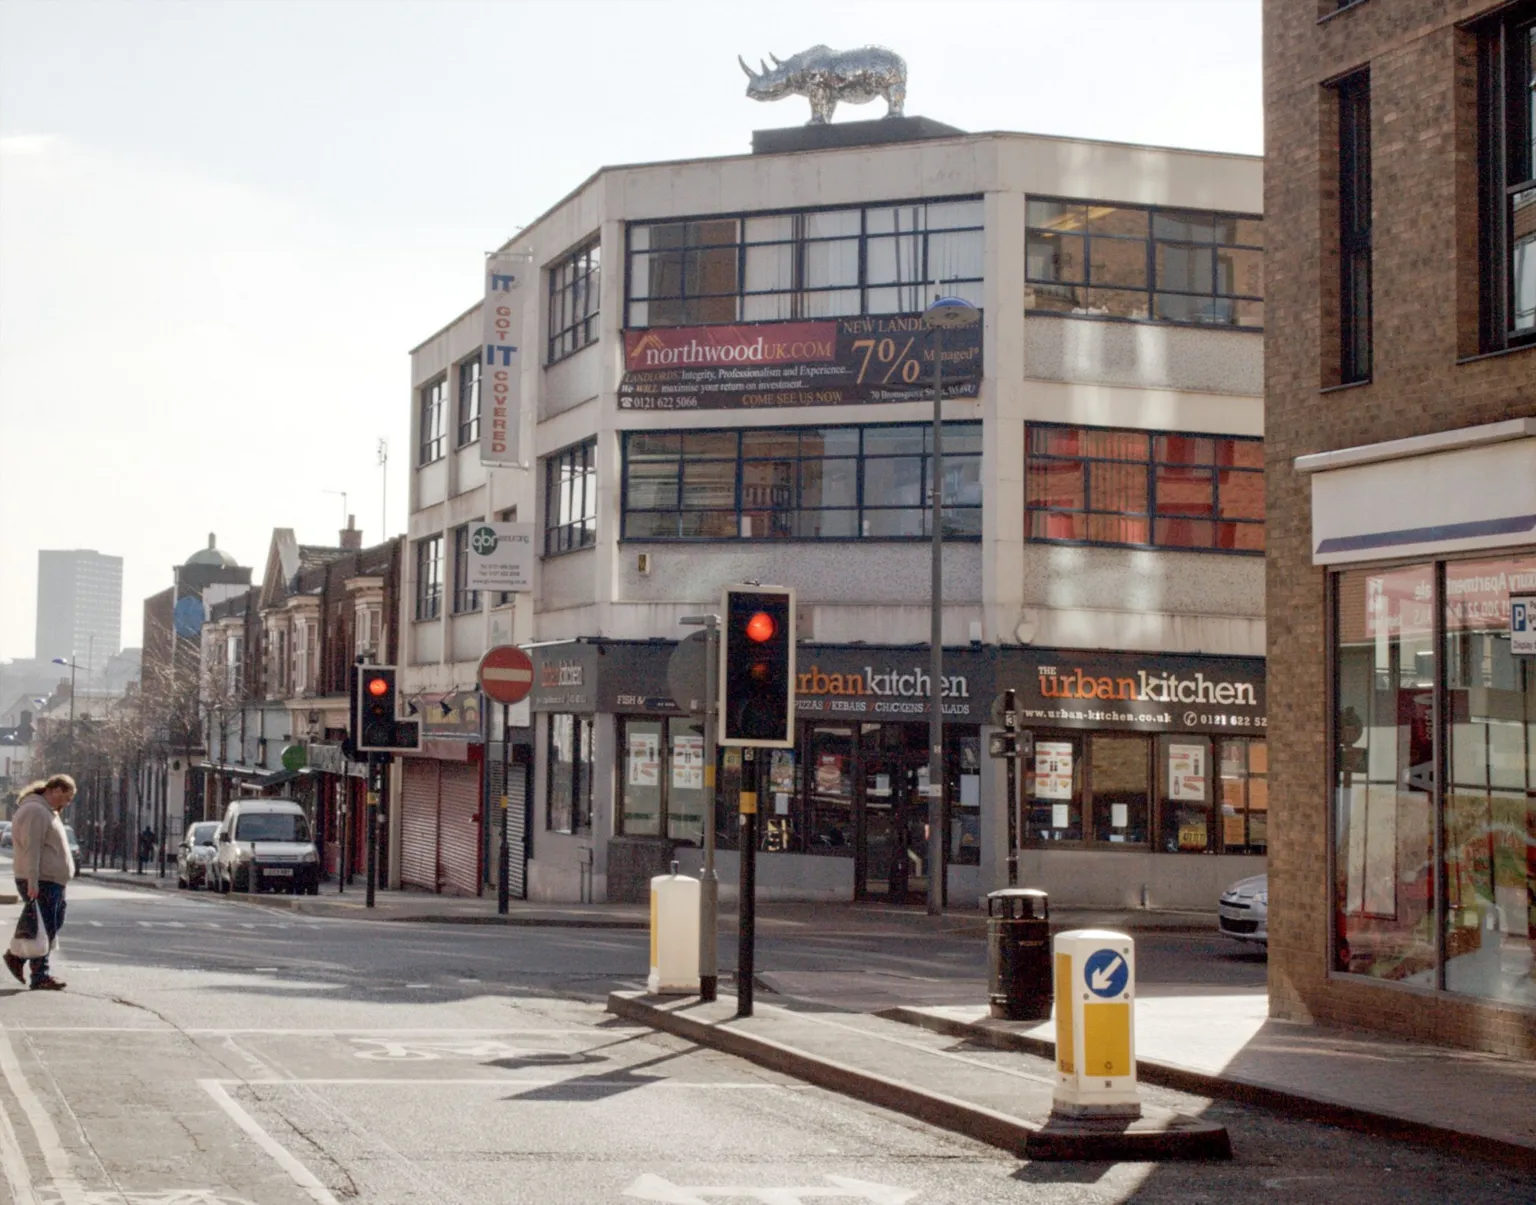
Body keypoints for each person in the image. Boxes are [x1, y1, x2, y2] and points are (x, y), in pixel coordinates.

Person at [5, 773, 77, 991]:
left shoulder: (45, 810)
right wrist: (32, 880)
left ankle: (18, 959)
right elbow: (32, 848)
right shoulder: (36, 811)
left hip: (51, 880)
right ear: (55, 790)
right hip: (42, 879)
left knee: (48, 925)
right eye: (66, 797)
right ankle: (39, 974)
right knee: (43, 928)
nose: (67, 803)